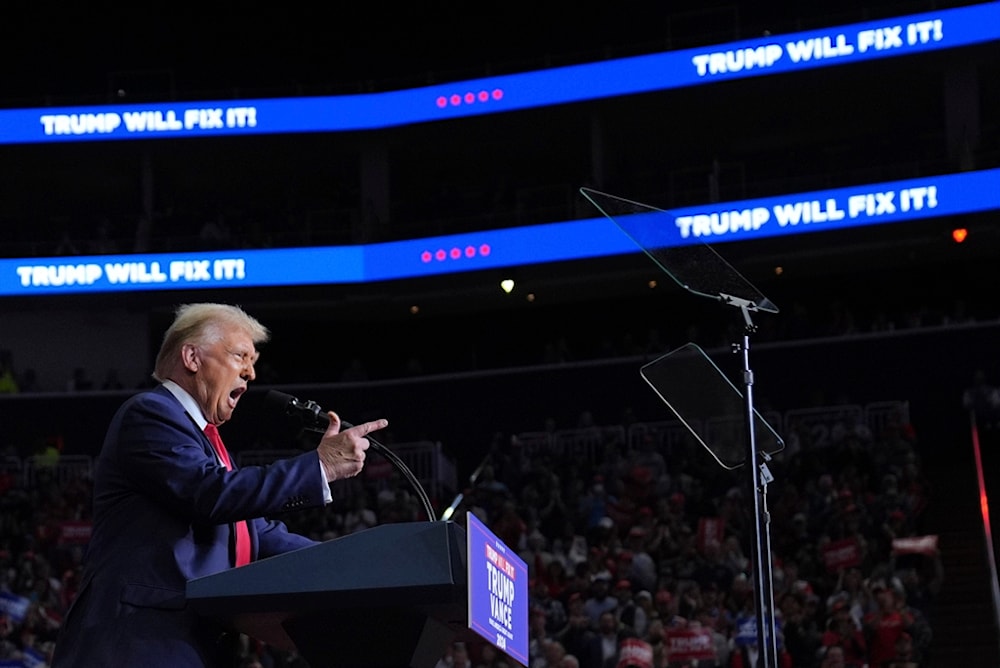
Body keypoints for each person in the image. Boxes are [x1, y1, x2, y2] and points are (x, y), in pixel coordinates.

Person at [50, 303, 389, 667]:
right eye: (241, 355)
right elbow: (210, 493)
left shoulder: (204, 441)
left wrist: (354, 562)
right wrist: (320, 466)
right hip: (137, 644)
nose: (252, 372)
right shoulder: (149, 413)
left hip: (190, 645)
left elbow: (253, 535)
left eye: (254, 360)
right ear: (192, 358)